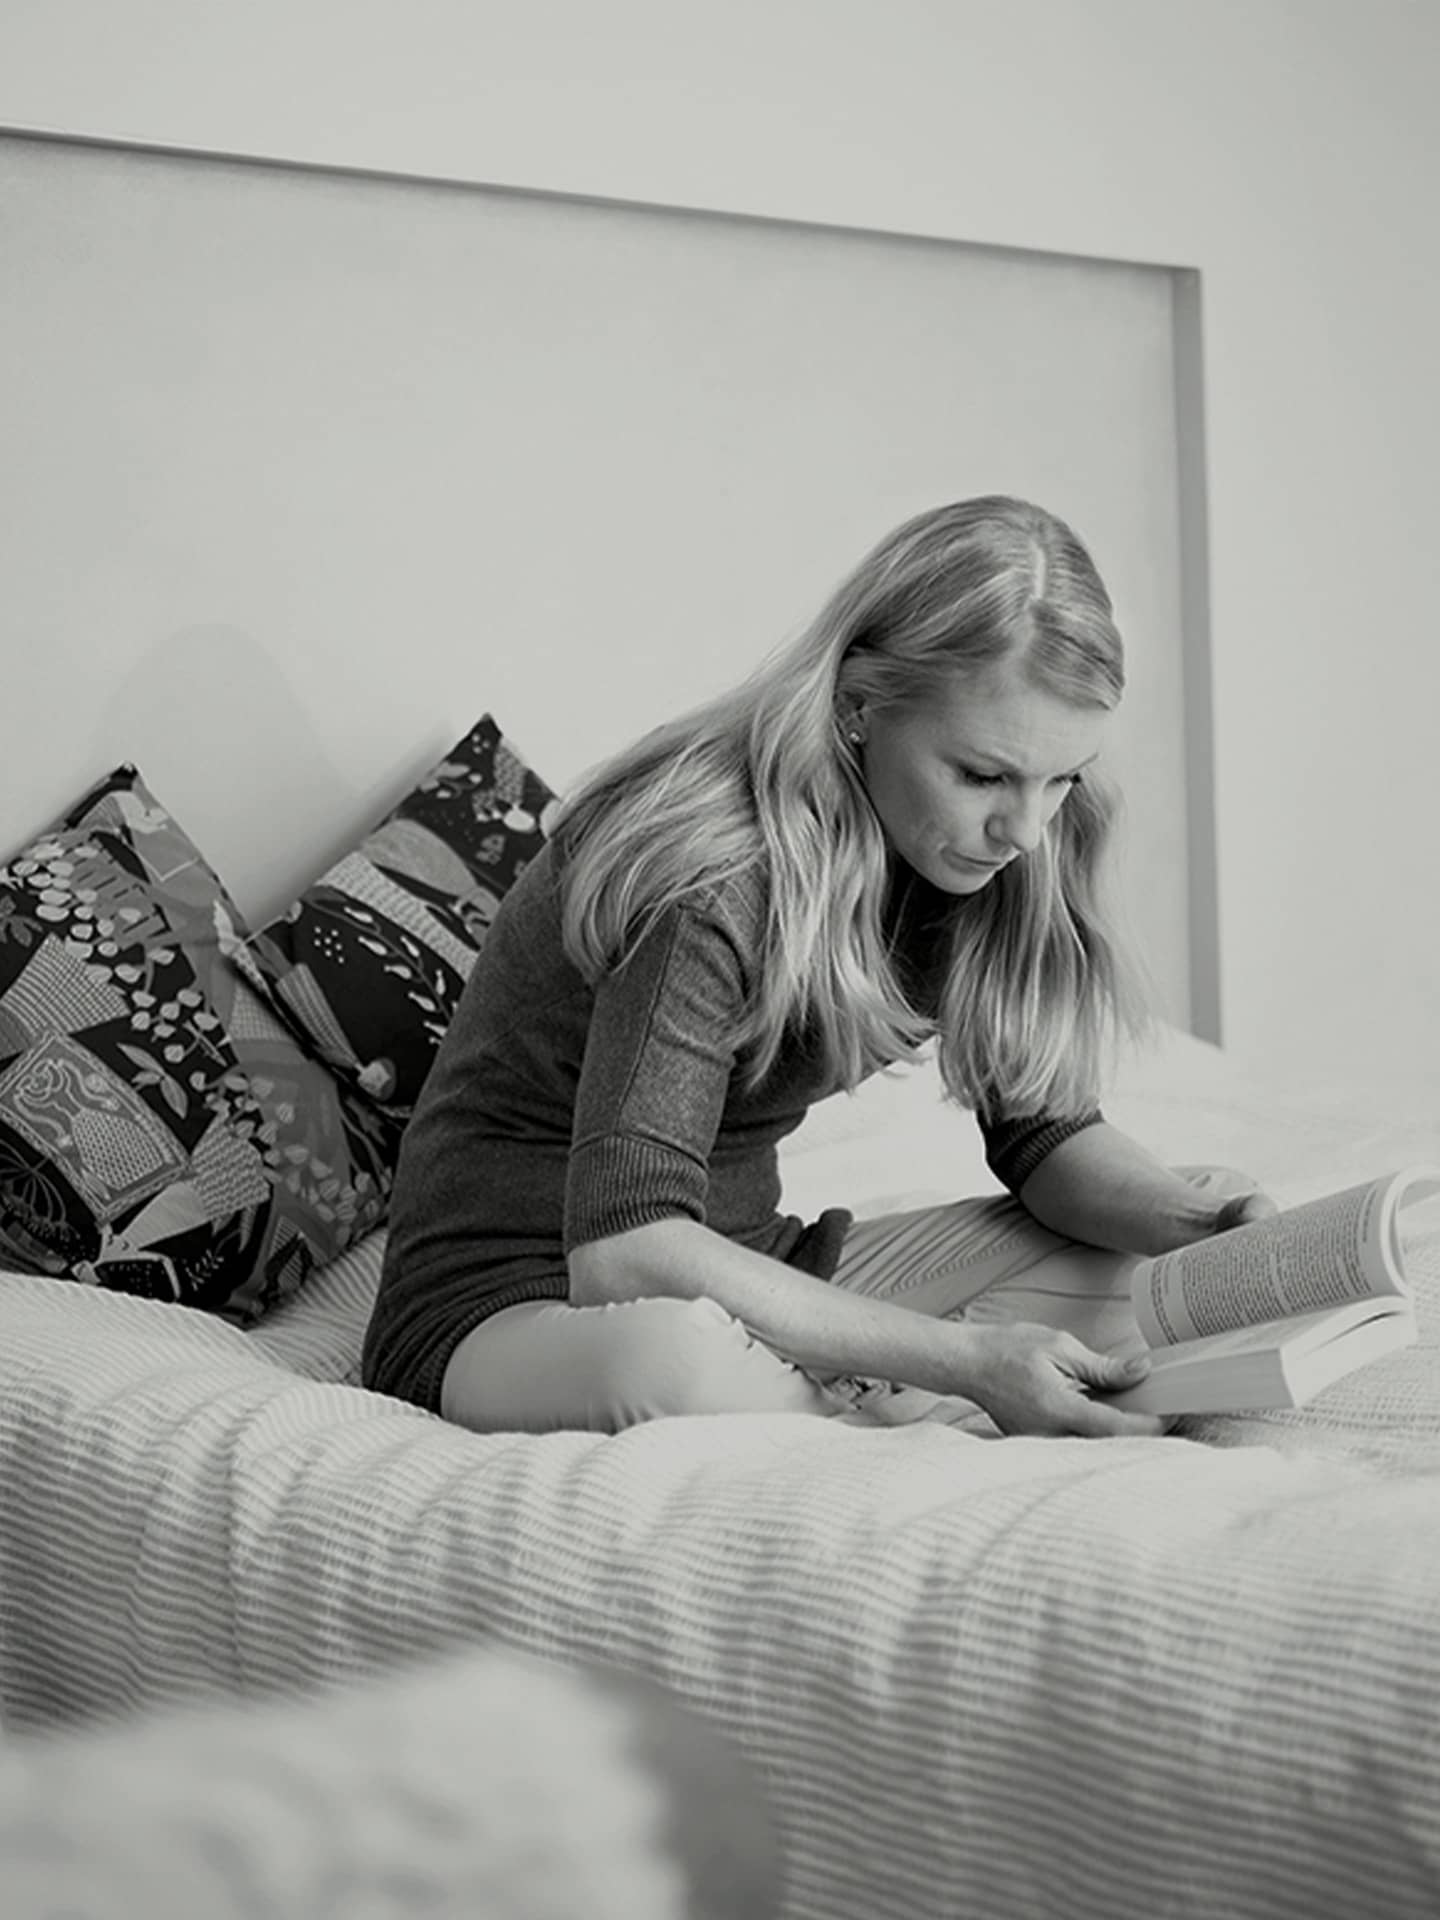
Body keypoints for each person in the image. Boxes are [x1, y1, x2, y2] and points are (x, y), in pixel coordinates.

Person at [361, 495, 1275, 1439]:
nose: (1027, 830)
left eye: (1062, 778)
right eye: (983, 775)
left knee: (1176, 1242)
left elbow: (1046, 1144)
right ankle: (909, 1409)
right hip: (513, 1305)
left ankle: (882, 1398)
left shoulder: (1007, 847)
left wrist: (1206, 1230)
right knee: (674, 1363)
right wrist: (964, 1360)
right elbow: (623, 1253)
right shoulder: (710, 869)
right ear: (856, 710)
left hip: (752, 1269)